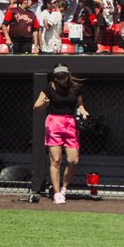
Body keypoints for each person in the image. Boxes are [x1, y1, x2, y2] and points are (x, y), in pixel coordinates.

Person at [34, 64, 89, 203]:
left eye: (64, 75)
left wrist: (83, 111)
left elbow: (80, 104)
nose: (62, 78)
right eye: (59, 76)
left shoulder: (75, 88)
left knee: (73, 160)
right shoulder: (49, 88)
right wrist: (45, 104)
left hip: (70, 123)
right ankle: (57, 192)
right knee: (56, 160)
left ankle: (64, 187)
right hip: (54, 123)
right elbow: (36, 106)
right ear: (55, 77)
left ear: (68, 74)